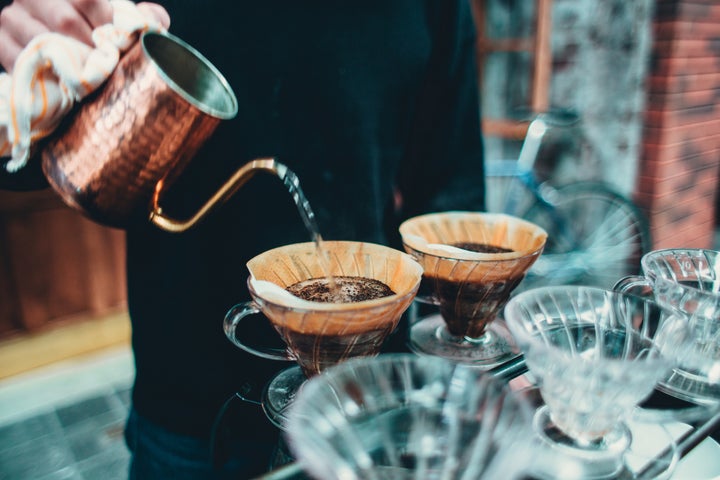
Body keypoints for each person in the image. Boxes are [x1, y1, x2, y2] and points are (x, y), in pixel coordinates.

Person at [0, 0, 485, 477]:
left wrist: (467, 337)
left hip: (369, 399)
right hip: (192, 414)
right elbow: (25, 154)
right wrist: (27, 75)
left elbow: (450, 192)